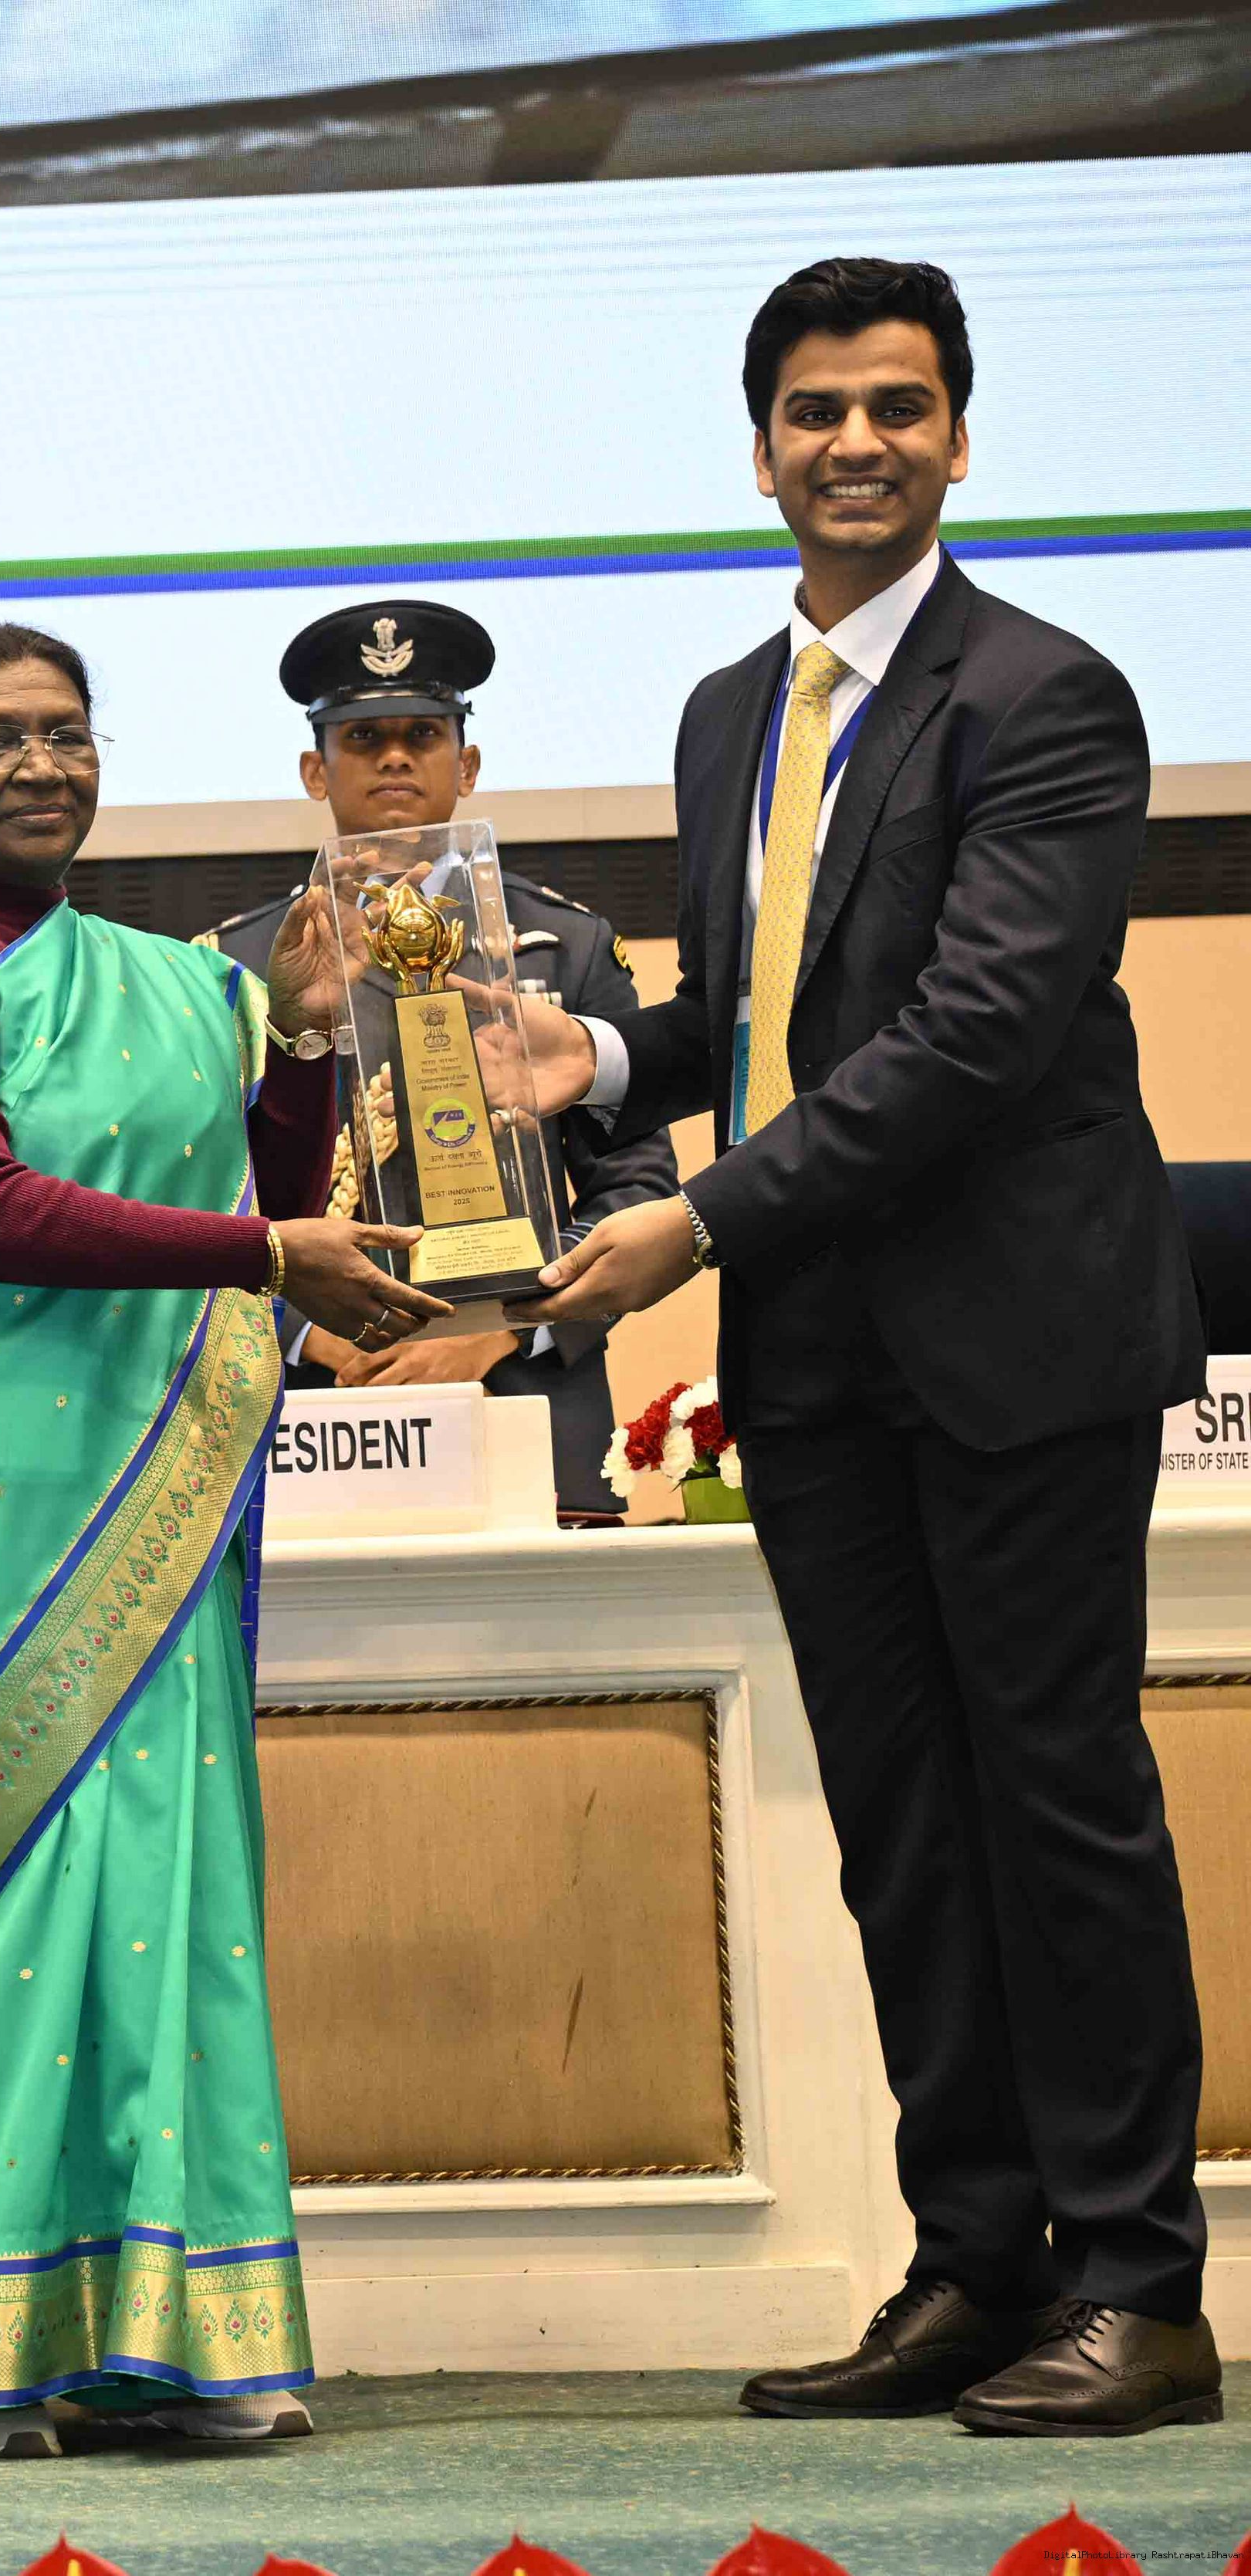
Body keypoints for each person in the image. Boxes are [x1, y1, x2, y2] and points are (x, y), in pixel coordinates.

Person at [512, 259, 1214, 2435]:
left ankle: (1136, 2284)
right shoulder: (732, 708)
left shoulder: (1047, 694)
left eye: (896, 407)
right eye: (814, 411)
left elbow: (973, 1033)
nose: (854, 444)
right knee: (903, 1820)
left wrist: (694, 1217)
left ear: (957, 440)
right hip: (816, 1356)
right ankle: (975, 2263)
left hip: (1016, 1337)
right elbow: (762, 1014)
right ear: (757, 451)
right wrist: (591, 1059)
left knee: (1053, 1802)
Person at [0, 623, 445, 2461]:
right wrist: (263, 1253)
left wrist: (302, 1041)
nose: (41, 764)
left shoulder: (174, 982)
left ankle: (172, 2336)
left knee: (164, 1885)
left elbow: (264, 1190)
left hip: (139, 1487)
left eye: (68, 733)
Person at [203, 600, 679, 1520]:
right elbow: (200, 1199)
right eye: (362, 737)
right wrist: (308, 1331)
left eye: (421, 734)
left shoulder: (564, 947)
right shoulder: (233, 964)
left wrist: (503, 1330)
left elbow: (634, 1185)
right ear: (314, 769)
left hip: (525, 1394)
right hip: (312, 1406)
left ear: (466, 764)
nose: (393, 757)